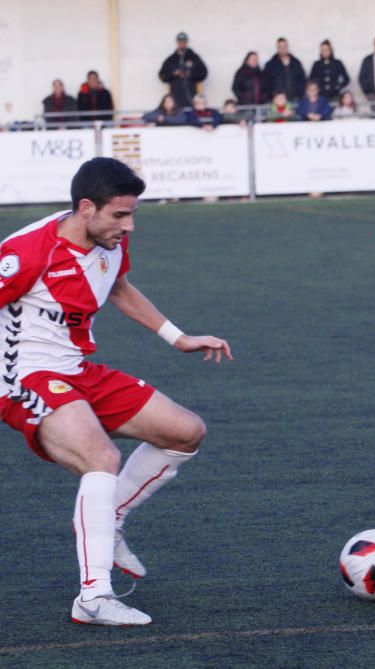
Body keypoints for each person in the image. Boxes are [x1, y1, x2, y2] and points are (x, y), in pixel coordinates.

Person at [0, 157, 233, 624]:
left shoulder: (108, 243)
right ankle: (93, 597)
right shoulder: (26, 253)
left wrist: (178, 337)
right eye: (119, 215)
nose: (128, 226)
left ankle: (112, 517)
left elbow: (120, 288)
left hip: (74, 368)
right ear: (86, 208)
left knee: (185, 431)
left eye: (132, 214)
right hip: (24, 376)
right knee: (100, 459)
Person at [158, 32, 208, 110]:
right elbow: (162, 76)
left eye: (184, 41)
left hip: (192, 97)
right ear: (177, 43)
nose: (182, 43)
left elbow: (204, 73)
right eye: (180, 41)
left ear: (187, 42)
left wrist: (190, 74)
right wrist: (174, 74)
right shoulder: (171, 59)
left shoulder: (194, 57)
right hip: (175, 98)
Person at [264, 38, 307, 102]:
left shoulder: (296, 63)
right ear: (277, 48)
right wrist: (273, 95)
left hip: (295, 100)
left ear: (287, 47)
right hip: (278, 102)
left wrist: (299, 94)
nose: (282, 49)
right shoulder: (270, 65)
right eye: (280, 47)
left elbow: (302, 80)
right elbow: (266, 83)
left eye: (284, 46)